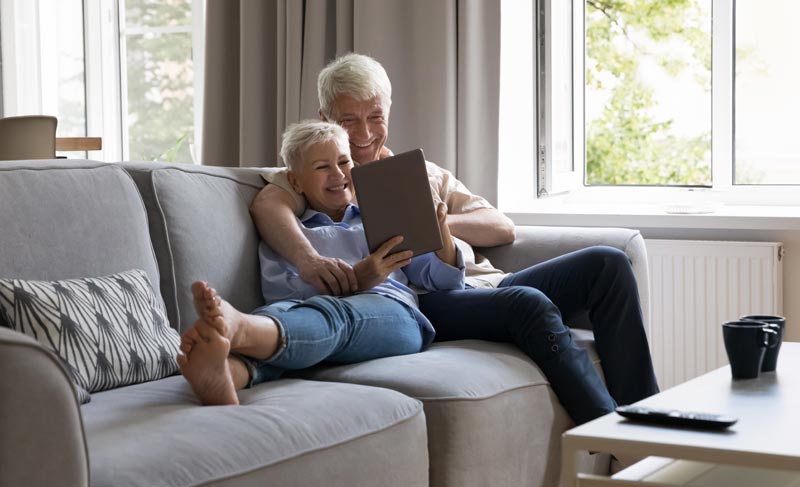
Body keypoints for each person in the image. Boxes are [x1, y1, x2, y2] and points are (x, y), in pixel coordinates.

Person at [249, 53, 659, 424]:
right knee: (526, 304)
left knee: (607, 264)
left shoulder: (418, 172)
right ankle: (608, 433)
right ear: (326, 118)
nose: (363, 133)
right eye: (348, 119)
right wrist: (310, 261)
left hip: (479, 283)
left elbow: (501, 226)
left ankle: (647, 420)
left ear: (389, 112)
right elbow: (269, 205)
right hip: (423, 298)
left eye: (374, 116)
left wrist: (434, 222)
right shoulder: (322, 175)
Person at [177, 120, 465, 405]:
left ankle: (241, 328)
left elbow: (446, 281)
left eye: (344, 162)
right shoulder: (291, 235)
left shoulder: (378, 219)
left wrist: (442, 231)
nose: (338, 174)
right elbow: (284, 294)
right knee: (280, 313)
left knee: (331, 316)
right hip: (304, 317)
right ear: (295, 181)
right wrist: (354, 279)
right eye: (322, 167)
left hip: (393, 313)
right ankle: (227, 372)